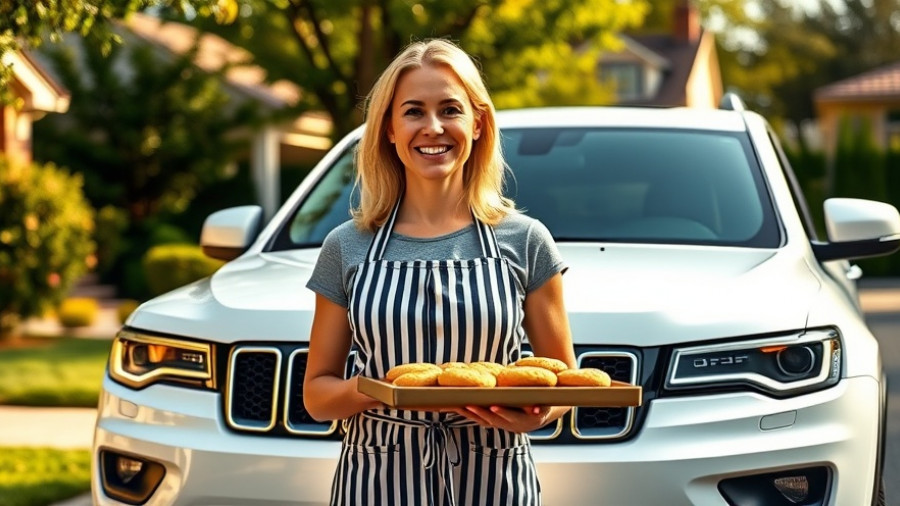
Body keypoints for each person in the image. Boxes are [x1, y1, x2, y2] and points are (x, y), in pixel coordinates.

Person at [303, 38, 576, 506]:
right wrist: (382, 391)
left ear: (477, 123)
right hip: (376, 481)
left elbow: (564, 383)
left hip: (496, 480)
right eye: (413, 111)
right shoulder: (346, 246)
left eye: (450, 109)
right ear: (389, 128)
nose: (433, 128)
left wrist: (537, 415)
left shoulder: (526, 240)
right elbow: (317, 394)